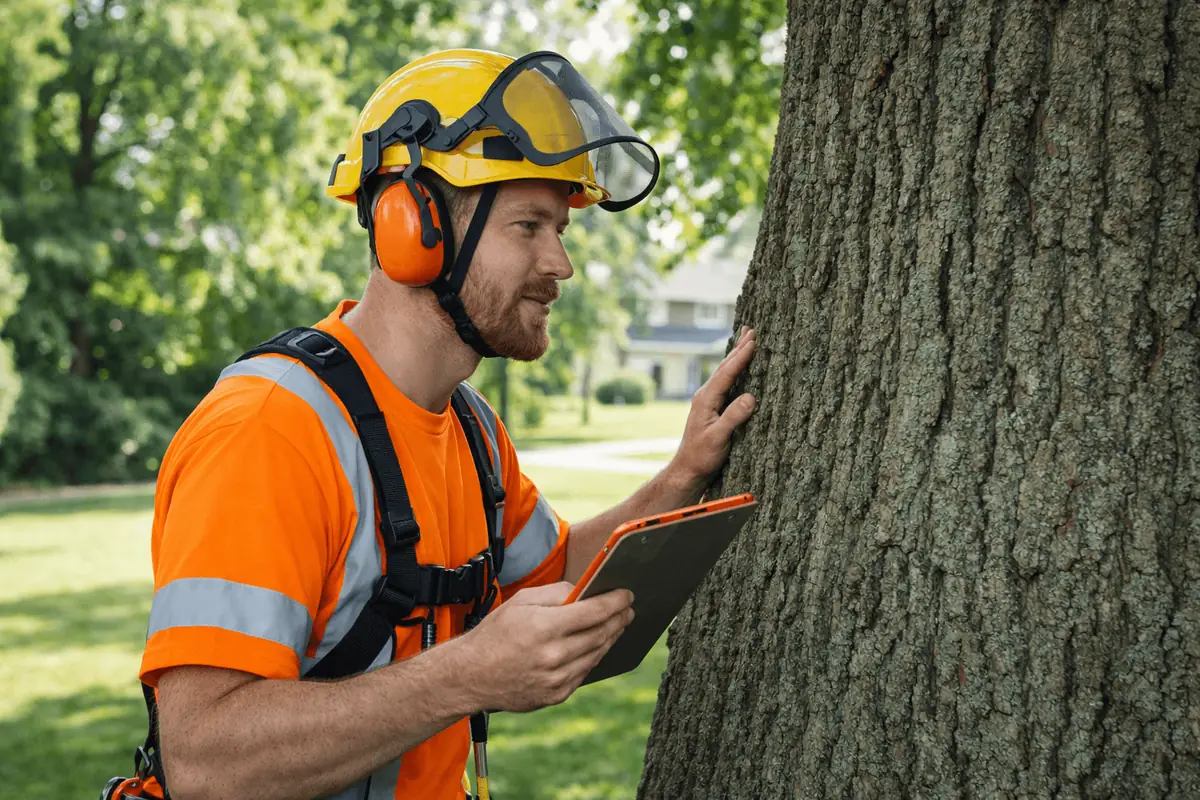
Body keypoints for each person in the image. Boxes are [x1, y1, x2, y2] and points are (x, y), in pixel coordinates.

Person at [136, 48, 758, 800]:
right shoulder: (270, 431)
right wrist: (458, 677)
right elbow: (205, 761)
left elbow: (555, 578)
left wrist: (685, 472)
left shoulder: (471, 430)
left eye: (559, 229)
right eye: (529, 225)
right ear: (413, 224)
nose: (560, 263)